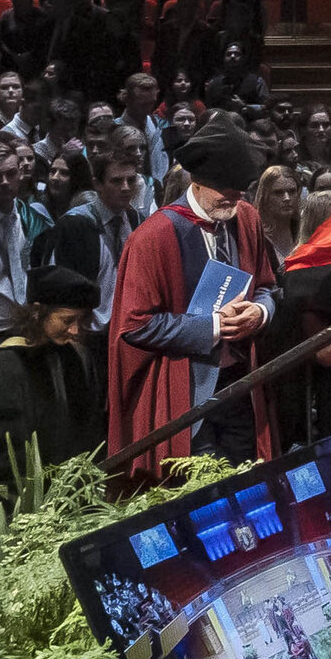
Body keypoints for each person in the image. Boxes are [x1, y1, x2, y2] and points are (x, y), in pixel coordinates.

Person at [106, 119, 288, 477]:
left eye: (240, 191)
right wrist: (215, 325)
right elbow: (134, 324)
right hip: (186, 391)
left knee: (247, 481)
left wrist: (260, 312)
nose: (233, 200)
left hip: (240, 383)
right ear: (196, 180)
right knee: (198, 490)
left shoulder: (245, 217)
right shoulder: (153, 237)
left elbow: (268, 286)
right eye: (225, 190)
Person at [0, 264, 106, 517]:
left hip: (66, 506)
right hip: (12, 514)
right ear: (37, 312)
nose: (75, 330)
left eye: (81, 320)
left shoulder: (77, 358)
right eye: (67, 320)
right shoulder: (5, 368)